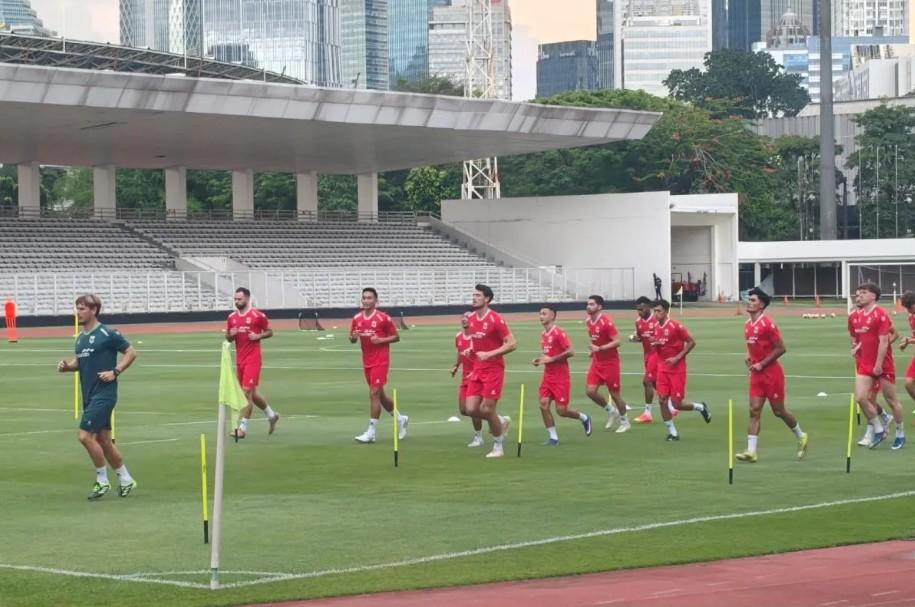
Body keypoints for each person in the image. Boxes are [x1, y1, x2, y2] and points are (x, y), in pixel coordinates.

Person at [57, 294, 138, 500]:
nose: (78, 312)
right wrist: (67, 367)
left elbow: (131, 352)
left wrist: (115, 371)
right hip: (89, 394)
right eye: (77, 308)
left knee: (84, 436)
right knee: (103, 440)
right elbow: (80, 362)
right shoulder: (81, 337)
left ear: (93, 310)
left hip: (105, 393)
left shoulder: (107, 333)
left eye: (82, 308)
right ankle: (126, 479)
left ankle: (102, 481)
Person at [735, 288, 808, 463]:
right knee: (754, 410)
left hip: (771, 374)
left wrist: (762, 363)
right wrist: (748, 355)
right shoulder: (747, 325)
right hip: (756, 375)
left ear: (761, 304)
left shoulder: (768, 324)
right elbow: (752, 345)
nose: (749, 302)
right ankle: (751, 451)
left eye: (752, 300)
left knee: (778, 411)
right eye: (749, 299)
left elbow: (781, 348)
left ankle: (801, 436)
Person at [848, 283, 904, 449]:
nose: (860, 296)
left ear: (873, 296)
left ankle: (900, 433)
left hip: (882, 364)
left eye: (864, 293)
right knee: (861, 398)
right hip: (865, 364)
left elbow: (883, 341)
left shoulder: (880, 315)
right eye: (859, 294)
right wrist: (857, 348)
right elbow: (859, 339)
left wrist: (879, 365)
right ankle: (879, 429)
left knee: (891, 400)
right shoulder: (855, 316)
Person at [350, 288, 408, 444]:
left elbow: (396, 337)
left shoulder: (383, 318)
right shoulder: (356, 318)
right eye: (364, 298)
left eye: (369, 298)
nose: (366, 300)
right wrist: (353, 337)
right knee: (380, 395)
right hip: (367, 360)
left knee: (374, 393)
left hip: (381, 360)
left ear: (376, 301)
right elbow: (352, 338)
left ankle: (371, 432)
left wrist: (381, 340)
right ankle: (400, 419)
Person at [464, 284, 516, 458]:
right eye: (473, 295)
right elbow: (476, 342)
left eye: (478, 295)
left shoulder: (496, 319)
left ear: (487, 299)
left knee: (486, 409)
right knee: (470, 409)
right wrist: (470, 352)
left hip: (494, 368)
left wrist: (490, 354)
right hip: (478, 369)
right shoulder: (470, 318)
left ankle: (498, 446)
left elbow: (512, 344)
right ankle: (500, 420)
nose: (474, 297)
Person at [652, 299, 711, 441]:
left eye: (659, 311)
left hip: (677, 369)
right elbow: (661, 345)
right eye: (655, 311)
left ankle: (700, 407)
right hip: (662, 368)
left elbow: (691, 342)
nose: (656, 314)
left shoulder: (675, 326)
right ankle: (673, 432)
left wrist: (677, 358)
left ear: (666, 312)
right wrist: (656, 344)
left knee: (677, 403)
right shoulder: (655, 326)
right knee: (662, 400)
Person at [225, 287, 279, 439]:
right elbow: (227, 337)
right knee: (252, 394)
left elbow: (270, 331)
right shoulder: (231, 317)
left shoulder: (257, 316)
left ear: (247, 299)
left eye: (239, 299)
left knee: (246, 392)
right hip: (240, 360)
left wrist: (258, 336)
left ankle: (242, 428)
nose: (236, 302)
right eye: (235, 299)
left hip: (253, 359)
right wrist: (231, 335)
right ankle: (272, 415)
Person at [533, 306, 591, 445]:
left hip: (560, 376)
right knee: (543, 405)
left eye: (544, 314)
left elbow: (570, 351)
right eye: (540, 314)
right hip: (548, 376)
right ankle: (553, 437)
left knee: (561, 410)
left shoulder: (559, 332)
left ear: (552, 316)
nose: (541, 316)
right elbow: (547, 355)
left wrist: (551, 359)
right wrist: (539, 360)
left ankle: (583, 417)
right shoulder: (543, 335)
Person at [584, 295, 630, 432]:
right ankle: (611, 411)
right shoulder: (588, 321)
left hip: (610, 363)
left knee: (615, 395)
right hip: (597, 362)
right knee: (590, 391)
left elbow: (617, 341)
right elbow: (594, 339)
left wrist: (600, 348)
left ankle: (625, 421)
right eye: (588, 304)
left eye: (592, 304)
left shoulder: (606, 322)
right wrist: (593, 351)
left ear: (599, 307)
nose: (588, 306)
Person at [452, 311, 484, 447]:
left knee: (472, 409)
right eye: (463, 317)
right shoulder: (458, 336)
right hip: (465, 376)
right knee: (463, 410)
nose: (464, 319)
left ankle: (478, 437)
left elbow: (482, 357)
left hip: (477, 376)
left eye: (468, 317)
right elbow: (460, 353)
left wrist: (475, 371)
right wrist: (456, 366)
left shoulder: (477, 337)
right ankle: (498, 420)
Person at [900, 291, 915, 416]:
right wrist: (908, 341)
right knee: (908, 383)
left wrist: (908, 341)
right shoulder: (911, 317)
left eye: (910, 307)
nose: (908, 310)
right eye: (906, 308)